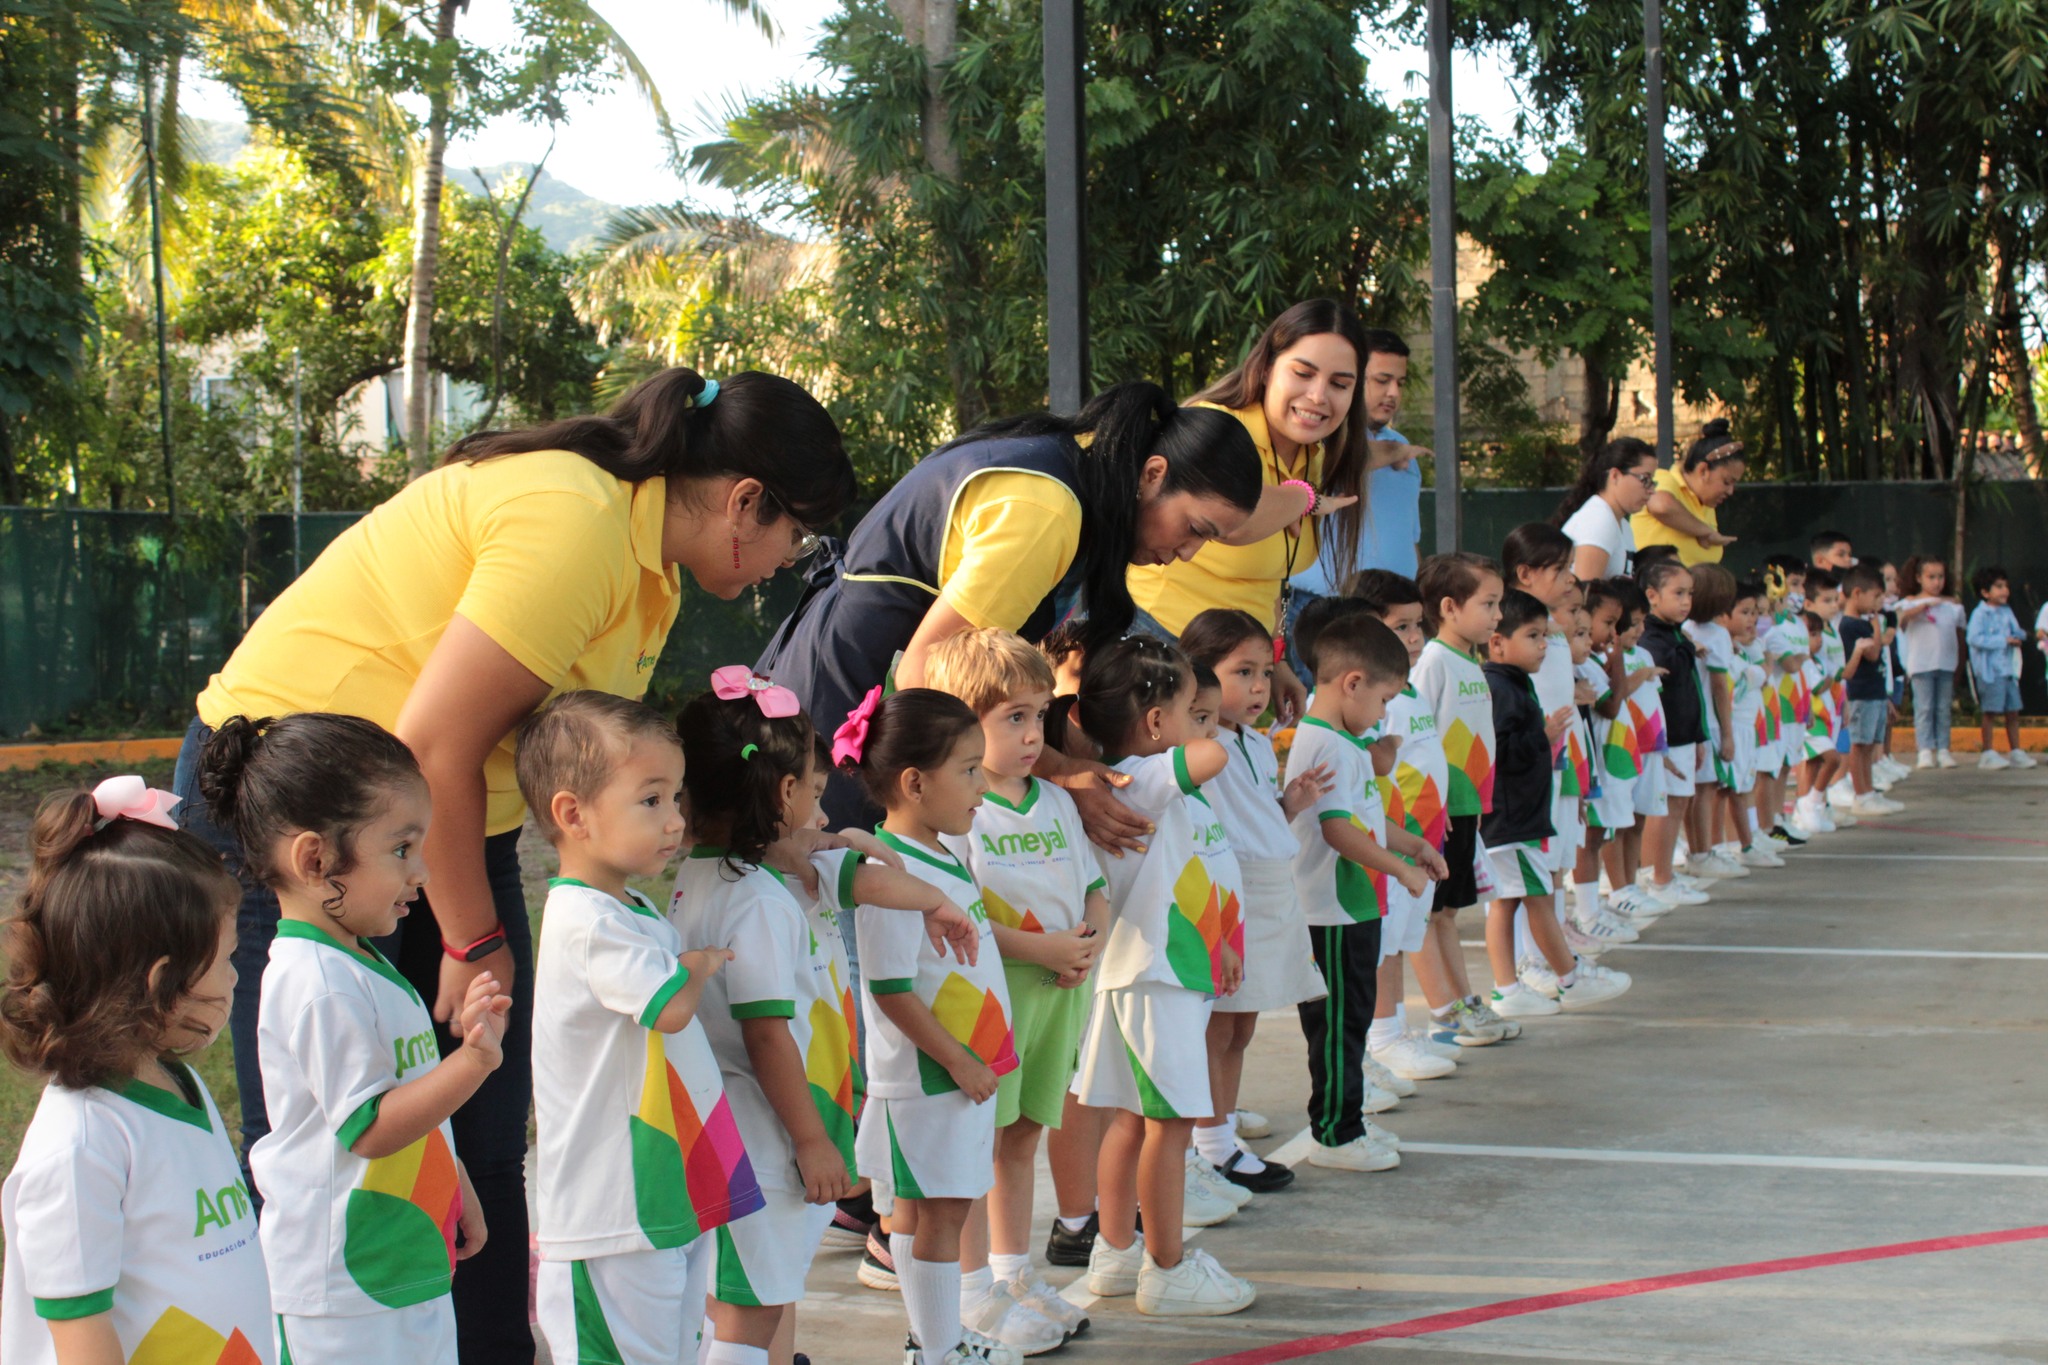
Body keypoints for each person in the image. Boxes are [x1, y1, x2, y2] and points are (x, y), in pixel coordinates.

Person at [172, 367, 854, 1359]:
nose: (784, 561)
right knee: (327, 1139)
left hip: (430, 814)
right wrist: (470, 935)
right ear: (746, 502)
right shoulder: (578, 523)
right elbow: (436, 744)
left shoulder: (649, 562)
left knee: (482, 1136)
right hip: (303, 813)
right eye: (798, 535)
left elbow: (530, 764)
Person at [761, 382, 1266, 850]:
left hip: (850, 697)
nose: (1189, 553)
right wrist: (1057, 767)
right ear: (1153, 474)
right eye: (1195, 528)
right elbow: (925, 675)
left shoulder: (1065, 473)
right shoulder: (1046, 513)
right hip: (845, 717)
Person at [198, 714, 511, 1362]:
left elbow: (401, 1094)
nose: (421, 871)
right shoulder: (319, 984)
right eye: (401, 849)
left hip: (395, 1260)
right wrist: (475, 1061)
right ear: (316, 859)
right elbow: (369, 1125)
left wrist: (453, 1182)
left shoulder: (353, 960)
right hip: (340, 1290)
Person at [517, 694, 756, 1365]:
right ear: (573, 815)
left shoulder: (630, 907)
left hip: (658, 1193)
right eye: (651, 800)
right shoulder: (587, 921)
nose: (676, 819)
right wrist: (700, 963)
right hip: (612, 1213)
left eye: (677, 797)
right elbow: (670, 1005)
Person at [0, 778, 272, 1365]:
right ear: (161, 984)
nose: (235, 977)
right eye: (224, 960)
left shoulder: (177, 1080)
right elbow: (79, 1335)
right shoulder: (80, 1144)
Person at [922, 631, 1104, 1351]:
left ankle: (1012, 1273)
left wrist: (1087, 938)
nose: (1034, 735)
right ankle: (971, 1293)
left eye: (1038, 715)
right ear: (963, 725)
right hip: (995, 1000)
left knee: (1024, 1136)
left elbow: (1092, 885)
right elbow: (964, 920)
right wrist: (1046, 948)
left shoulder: (1056, 801)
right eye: (1014, 719)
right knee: (979, 1143)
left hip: (1060, 993)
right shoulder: (962, 813)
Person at [1066, 638, 1257, 1317]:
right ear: (1154, 724)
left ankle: (1117, 1251)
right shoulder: (1139, 778)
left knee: (1130, 1119)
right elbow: (1212, 754)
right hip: (1154, 981)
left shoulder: (1145, 785)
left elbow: (1196, 874)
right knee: (1168, 1126)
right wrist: (1205, 735)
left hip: (1159, 975)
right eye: (1190, 711)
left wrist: (1222, 943)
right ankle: (1166, 1265)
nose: (1206, 727)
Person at [837, 689, 1025, 1363]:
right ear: (915, 783)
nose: (983, 785)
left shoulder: (939, 854)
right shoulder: (891, 870)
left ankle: (932, 1342)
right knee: (941, 1214)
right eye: (969, 770)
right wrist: (961, 1062)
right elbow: (889, 990)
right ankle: (941, 1349)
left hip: (949, 1075)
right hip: (929, 1079)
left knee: (923, 1215)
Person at [1128, 301, 1414, 699]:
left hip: (1229, 668)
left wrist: (1274, 664)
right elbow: (1235, 522)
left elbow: (1271, 579)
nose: (1318, 396)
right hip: (1155, 643)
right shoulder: (1218, 426)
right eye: (1303, 373)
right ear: (1265, 368)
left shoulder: (1312, 453)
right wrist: (1303, 498)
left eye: (1339, 384)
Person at [1175, 611, 1329, 1190]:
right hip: (1230, 891)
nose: (1261, 686)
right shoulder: (1199, 744)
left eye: (1265, 671)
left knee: (1241, 1028)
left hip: (1270, 889)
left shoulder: (1257, 743)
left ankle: (1219, 1133)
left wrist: (1289, 802)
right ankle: (1209, 1143)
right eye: (1243, 672)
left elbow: (1258, 817)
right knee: (1218, 1026)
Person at [1287, 613, 1446, 1159]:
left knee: (1352, 1018)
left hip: (1355, 904)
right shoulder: (1327, 744)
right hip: (1331, 910)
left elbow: (1367, 822)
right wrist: (1400, 870)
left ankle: (1348, 1119)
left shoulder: (1347, 741)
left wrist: (1412, 847)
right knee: (1336, 1026)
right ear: (1352, 683)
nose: (1383, 715)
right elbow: (1336, 830)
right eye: (1382, 701)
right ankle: (1334, 1135)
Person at [1481, 590, 1631, 1016]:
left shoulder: (1514, 684)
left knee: (1512, 901)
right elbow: (1500, 751)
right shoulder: (1501, 689)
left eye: (1545, 636)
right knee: (1537, 896)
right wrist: (1542, 738)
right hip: (1512, 821)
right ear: (1498, 642)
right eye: (1533, 636)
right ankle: (1567, 978)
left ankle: (1509, 988)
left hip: (1522, 816)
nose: (1544, 645)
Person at [1287, 329, 1426, 665]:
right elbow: (1345, 459)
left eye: (1400, 382)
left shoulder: (1402, 449)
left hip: (1396, 614)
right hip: (1328, 611)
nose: (1393, 392)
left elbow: (1411, 538)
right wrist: (1393, 451)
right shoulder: (1318, 437)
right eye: (1382, 380)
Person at [1411, 552, 1507, 1021]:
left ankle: (1466, 1000)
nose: (1498, 615)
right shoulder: (1433, 662)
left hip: (1467, 806)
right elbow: (1419, 733)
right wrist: (1435, 802)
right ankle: (1446, 1011)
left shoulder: (1471, 661)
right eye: (1489, 604)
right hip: (1442, 812)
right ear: (1449, 607)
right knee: (1432, 912)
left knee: (1448, 912)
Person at [1637, 559, 1712, 903]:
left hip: (1684, 735)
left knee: (1679, 803)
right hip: (1667, 740)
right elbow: (1660, 692)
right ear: (1652, 595)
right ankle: (1659, 879)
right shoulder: (1653, 640)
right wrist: (1660, 745)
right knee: (1664, 807)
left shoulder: (1676, 634)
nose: (1686, 601)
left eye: (1689, 594)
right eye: (1678, 593)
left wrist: (1698, 737)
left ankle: (1663, 874)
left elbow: (1689, 691)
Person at [1833, 566, 1901, 815]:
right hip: (1860, 694)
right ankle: (1861, 794)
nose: (1879, 603)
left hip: (1875, 692)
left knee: (1870, 746)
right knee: (1859, 746)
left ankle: (1870, 791)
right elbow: (1873, 653)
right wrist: (1875, 624)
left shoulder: (1861, 623)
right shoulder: (1851, 626)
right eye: (1875, 597)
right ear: (1857, 593)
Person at [1630, 420, 1746, 566]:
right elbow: (1661, 505)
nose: (1730, 491)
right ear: (1703, 470)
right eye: (1727, 482)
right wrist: (1706, 532)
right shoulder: (1663, 478)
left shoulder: (1707, 505)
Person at [1556, 437, 1656, 583]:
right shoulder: (1598, 519)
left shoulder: (1622, 524)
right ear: (1615, 475)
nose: (1651, 490)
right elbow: (1586, 595)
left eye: (1652, 481)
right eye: (1645, 479)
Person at [1899, 556, 1965, 768]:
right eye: (1931, 577)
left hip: (1946, 663)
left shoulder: (1952, 606)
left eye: (1940, 577)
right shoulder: (1909, 603)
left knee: (1943, 708)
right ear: (1919, 578)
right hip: (1920, 664)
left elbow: (1959, 630)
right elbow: (1900, 620)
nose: (1937, 582)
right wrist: (1921, 606)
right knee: (1924, 707)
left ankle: (1943, 749)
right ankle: (1925, 749)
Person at [1967, 567, 2036, 769]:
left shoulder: (2007, 611)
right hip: (1990, 672)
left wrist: (2020, 636)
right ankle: (1987, 753)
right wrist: (2003, 640)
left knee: (2013, 711)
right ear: (1985, 592)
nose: (2004, 590)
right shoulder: (1980, 614)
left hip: (2009, 671)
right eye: (1999, 587)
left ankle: (2016, 751)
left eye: (2005, 586)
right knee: (1990, 712)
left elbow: (2016, 631)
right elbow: (1974, 638)